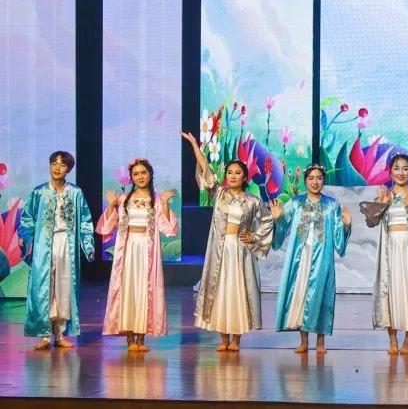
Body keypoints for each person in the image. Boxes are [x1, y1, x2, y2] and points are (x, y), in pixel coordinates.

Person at [183, 131, 274, 352]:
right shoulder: (220, 195)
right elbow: (206, 170)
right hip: (221, 251)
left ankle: (236, 340)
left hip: (240, 251)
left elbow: (267, 221)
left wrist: (253, 237)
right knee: (221, 291)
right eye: (230, 173)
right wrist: (195, 145)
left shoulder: (252, 201)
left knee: (238, 292)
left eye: (238, 173)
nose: (233, 176)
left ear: (245, 177)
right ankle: (224, 339)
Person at [360, 154, 408, 355]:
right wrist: (380, 204)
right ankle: (393, 340)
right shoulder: (385, 195)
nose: (400, 172)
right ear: (390, 172)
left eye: (405, 168)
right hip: (391, 250)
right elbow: (371, 222)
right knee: (390, 291)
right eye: (396, 168)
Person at [98, 158, 179, 352]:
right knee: (127, 290)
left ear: (150, 174)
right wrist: (111, 205)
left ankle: (141, 339)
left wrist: (165, 203)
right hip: (127, 249)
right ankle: (130, 339)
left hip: (147, 250)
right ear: (131, 177)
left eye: (143, 173)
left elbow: (168, 229)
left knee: (144, 290)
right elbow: (107, 227)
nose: (140, 176)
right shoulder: (124, 199)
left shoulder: (156, 200)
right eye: (136, 174)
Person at [271, 164, 352, 354]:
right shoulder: (296, 202)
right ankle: (304, 342)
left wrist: (347, 225)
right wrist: (277, 219)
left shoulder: (331, 205)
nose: (315, 182)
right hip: (300, 257)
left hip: (322, 257)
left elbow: (338, 236)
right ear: (305, 180)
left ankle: (321, 342)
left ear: (324, 181)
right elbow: (283, 224)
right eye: (311, 178)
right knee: (300, 295)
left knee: (321, 295)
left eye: (319, 178)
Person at [19, 151, 95, 350]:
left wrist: (87, 244)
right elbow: (27, 218)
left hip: (66, 243)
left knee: (64, 286)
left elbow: (85, 220)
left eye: (62, 165)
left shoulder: (75, 192)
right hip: (44, 244)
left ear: (68, 169)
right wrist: (25, 236)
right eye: (54, 163)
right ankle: (44, 335)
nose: (57, 168)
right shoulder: (39, 192)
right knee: (43, 287)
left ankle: (60, 334)